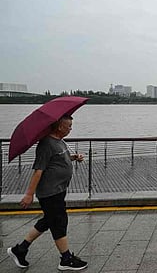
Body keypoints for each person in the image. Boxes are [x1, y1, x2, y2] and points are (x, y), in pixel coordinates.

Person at [7, 115, 88, 271]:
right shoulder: (46, 144)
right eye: (69, 126)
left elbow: (58, 160)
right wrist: (29, 194)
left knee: (48, 221)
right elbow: (39, 170)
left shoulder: (59, 141)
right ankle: (66, 259)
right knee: (59, 222)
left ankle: (20, 250)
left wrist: (73, 157)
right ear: (59, 127)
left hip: (59, 189)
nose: (71, 129)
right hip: (49, 192)